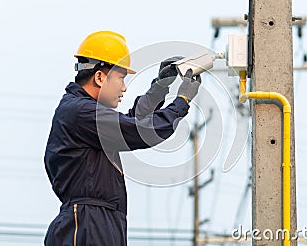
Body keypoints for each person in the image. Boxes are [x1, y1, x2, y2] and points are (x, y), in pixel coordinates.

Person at [44, 31, 201, 246]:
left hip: (99, 222)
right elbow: (142, 131)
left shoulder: (85, 115)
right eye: (121, 77)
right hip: (89, 223)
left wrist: (160, 87)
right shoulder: (81, 113)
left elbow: (132, 123)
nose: (124, 87)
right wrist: (181, 101)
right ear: (100, 77)